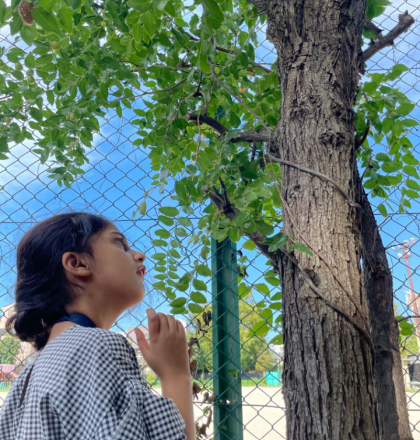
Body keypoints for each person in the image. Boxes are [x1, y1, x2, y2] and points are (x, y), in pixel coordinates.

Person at [0, 212, 195, 439]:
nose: (140, 255)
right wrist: (176, 375)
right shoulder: (99, 346)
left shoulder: (28, 377)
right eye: (120, 243)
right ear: (78, 263)